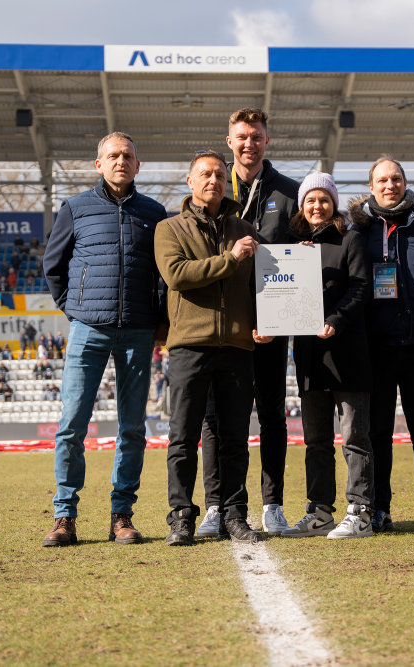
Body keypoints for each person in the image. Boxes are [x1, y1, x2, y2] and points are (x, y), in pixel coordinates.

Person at [41, 131, 168, 548]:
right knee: (71, 426)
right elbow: (54, 265)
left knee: (132, 427)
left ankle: (121, 515)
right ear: (99, 164)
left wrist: (157, 319)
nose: (120, 161)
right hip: (87, 329)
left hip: (137, 329)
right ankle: (64, 516)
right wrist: (75, 308)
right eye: (112, 155)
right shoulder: (75, 208)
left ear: (138, 164)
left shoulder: (154, 212)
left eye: (127, 155)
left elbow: (164, 275)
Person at [196, 107, 300, 539]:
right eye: (241, 137)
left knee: (273, 416)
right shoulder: (214, 189)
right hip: (227, 325)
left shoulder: (290, 193)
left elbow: (302, 259)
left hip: (274, 324)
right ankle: (216, 505)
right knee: (217, 419)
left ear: (266, 141)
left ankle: (272, 504)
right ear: (230, 141)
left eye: (256, 136)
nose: (248, 143)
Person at [154, 149, 262, 547]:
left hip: (236, 345)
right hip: (188, 347)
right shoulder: (169, 229)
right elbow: (178, 275)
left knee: (235, 438)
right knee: (182, 437)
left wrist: (264, 321)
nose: (212, 180)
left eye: (219, 173)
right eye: (204, 174)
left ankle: (235, 514)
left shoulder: (244, 228)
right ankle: (181, 515)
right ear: (190, 181)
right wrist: (229, 259)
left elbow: (261, 285)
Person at [350, 156, 414, 535]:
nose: (390, 185)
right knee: (378, 434)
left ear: (405, 183)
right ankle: (379, 509)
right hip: (376, 349)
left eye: (396, 179)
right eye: (382, 180)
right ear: (371, 187)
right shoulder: (357, 233)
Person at [278, 173, 374, 540]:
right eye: (310, 201)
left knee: (354, 438)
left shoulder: (350, 240)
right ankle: (320, 511)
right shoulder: (292, 246)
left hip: (347, 353)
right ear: (302, 206)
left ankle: (360, 512)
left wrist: (335, 320)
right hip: (309, 356)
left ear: (333, 203)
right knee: (316, 440)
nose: (317, 207)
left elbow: (361, 287)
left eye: (323, 199)